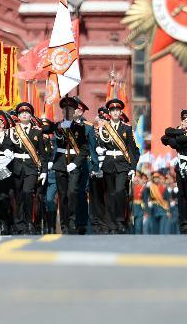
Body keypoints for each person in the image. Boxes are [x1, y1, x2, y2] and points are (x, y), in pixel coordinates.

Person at [45, 96, 90, 234]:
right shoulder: (58, 125)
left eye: (70, 109)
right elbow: (45, 129)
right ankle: (64, 224)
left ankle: (72, 220)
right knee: (62, 195)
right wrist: (54, 126)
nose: (67, 112)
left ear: (74, 111)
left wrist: (75, 164)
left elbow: (85, 149)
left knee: (72, 192)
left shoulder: (80, 127)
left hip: (74, 163)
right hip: (60, 164)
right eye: (65, 110)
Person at [95, 99, 140, 234]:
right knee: (110, 194)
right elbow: (100, 144)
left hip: (122, 164)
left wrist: (133, 168)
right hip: (108, 163)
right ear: (109, 113)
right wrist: (99, 149)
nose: (115, 112)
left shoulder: (127, 128)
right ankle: (111, 224)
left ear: (120, 113)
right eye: (112, 110)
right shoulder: (104, 128)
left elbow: (131, 149)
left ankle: (120, 221)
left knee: (120, 191)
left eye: (117, 110)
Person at [9, 102, 47, 235]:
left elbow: (42, 153)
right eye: (21, 113)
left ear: (31, 115)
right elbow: (7, 147)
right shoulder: (13, 131)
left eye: (27, 113)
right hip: (16, 166)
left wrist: (44, 171)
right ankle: (19, 224)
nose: (24, 115)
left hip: (31, 167)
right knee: (17, 196)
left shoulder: (37, 132)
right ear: (18, 116)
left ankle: (29, 222)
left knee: (27, 193)